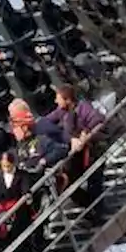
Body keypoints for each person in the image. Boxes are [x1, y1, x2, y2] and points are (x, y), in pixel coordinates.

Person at [36, 80, 106, 218]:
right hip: (75, 156)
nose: (56, 101)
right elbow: (43, 124)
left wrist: (85, 133)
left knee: (94, 184)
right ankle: (90, 208)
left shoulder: (83, 107)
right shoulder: (61, 112)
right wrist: (66, 137)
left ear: (67, 99)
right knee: (69, 185)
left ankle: (98, 213)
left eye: (58, 98)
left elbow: (98, 119)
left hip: (92, 152)